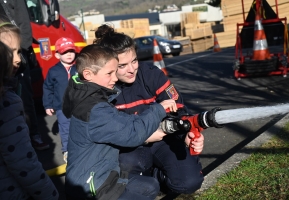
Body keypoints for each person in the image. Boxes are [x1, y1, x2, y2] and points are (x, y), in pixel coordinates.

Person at [93, 24, 204, 198]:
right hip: (127, 148)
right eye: (122, 66)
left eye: (134, 61)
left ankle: (158, 176)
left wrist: (187, 133)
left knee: (189, 182)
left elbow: (179, 109)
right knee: (127, 187)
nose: (132, 69)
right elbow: (106, 131)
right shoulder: (101, 87)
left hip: (162, 139)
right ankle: (144, 178)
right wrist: (141, 136)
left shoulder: (151, 74)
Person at [62, 44, 178, 200]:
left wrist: (149, 127)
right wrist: (158, 109)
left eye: (115, 72)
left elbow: (121, 121)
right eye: (109, 73)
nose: (115, 78)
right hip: (92, 188)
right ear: (88, 74)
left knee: (150, 187)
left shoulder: (92, 98)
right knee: (144, 191)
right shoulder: (93, 109)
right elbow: (132, 134)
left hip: (103, 175)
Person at [0, 35, 58, 199]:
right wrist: (50, 194)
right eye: (12, 53)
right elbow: (23, 163)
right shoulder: (7, 104)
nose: (19, 59)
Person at [0, 0, 50, 150]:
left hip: (14, 54)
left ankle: (32, 134)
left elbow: (24, 28)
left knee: (23, 97)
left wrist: (17, 54)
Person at [43, 37, 77, 163]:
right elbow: (48, 88)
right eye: (64, 52)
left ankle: (84, 148)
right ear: (57, 55)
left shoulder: (79, 68)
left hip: (79, 105)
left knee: (81, 126)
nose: (69, 54)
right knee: (65, 129)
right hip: (61, 107)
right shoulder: (53, 71)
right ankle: (67, 150)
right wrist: (48, 105)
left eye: (71, 51)